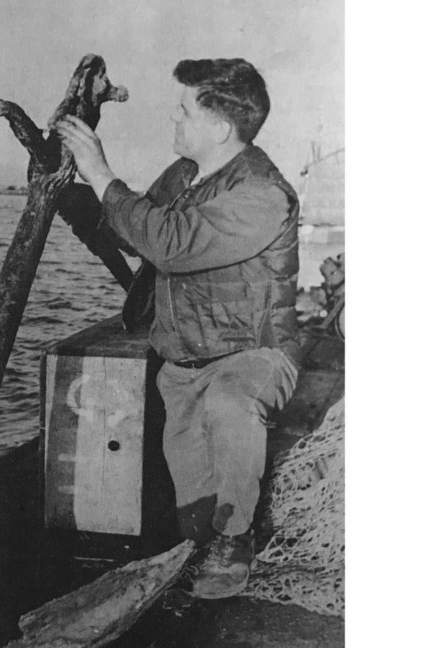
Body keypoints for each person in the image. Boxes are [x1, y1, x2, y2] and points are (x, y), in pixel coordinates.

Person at [55, 58, 300, 599]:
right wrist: (70, 189)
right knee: (194, 520)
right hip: (183, 365)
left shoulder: (263, 194)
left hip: (252, 357)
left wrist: (101, 172)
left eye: (184, 109)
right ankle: (209, 541)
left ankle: (236, 544)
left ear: (219, 127)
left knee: (230, 407)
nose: (173, 116)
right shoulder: (185, 176)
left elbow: (170, 242)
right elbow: (137, 233)